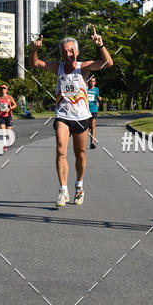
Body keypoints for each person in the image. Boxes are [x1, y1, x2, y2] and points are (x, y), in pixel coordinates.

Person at [30, 30, 113, 207]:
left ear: (77, 51)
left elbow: (108, 63)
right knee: (61, 150)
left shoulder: (83, 67)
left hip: (82, 117)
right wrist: (34, 50)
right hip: (63, 115)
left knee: (80, 153)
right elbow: (35, 63)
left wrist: (101, 45)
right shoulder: (57, 67)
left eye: (71, 51)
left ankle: (79, 185)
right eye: (65, 51)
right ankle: (63, 190)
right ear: (61, 54)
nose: (68, 54)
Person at [0, 84, 16, 152]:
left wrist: (9, 108)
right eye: (1, 88)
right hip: (1, 116)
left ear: (6, 90)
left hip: (8, 115)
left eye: (4, 88)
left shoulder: (9, 97)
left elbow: (15, 105)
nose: (3, 90)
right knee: (3, 131)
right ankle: (4, 145)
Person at [87, 76, 102, 149]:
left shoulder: (96, 89)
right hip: (86, 109)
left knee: (93, 125)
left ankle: (92, 143)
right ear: (88, 82)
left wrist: (98, 100)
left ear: (95, 82)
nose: (92, 83)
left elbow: (97, 97)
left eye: (93, 81)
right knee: (86, 127)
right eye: (91, 81)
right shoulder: (85, 89)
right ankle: (83, 141)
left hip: (94, 109)